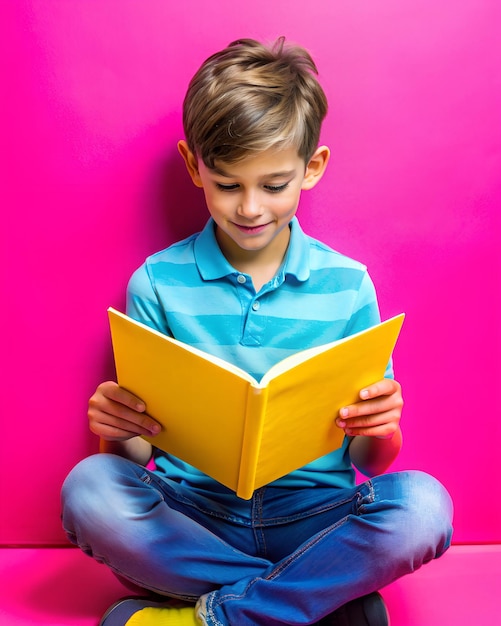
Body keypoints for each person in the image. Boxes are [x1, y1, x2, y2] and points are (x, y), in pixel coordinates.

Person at [61, 37, 453, 626]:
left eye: (273, 186)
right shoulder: (157, 284)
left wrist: (382, 426)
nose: (249, 208)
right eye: (227, 184)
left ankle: (208, 617)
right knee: (89, 489)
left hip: (313, 515)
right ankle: (309, 600)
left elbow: (373, 461)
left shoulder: (349, 287)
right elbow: (138, 452)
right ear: (195, 166)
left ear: (311, 168)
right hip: (195, 518)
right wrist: (117, 431)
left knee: (425, 507)